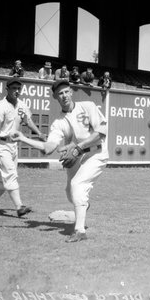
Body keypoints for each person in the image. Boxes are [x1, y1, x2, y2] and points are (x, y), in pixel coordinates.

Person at [10, 79, 109, 243]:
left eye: (65, 92)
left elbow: (102, 133)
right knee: (70, 193)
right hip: (77, 156)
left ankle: (80, 231)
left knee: (78, 185)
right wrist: (23, 138)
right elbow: (48, 148)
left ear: (71, 92)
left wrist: (78, 147)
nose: (63, 96)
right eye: (59, 93)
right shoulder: (59, 122)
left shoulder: (88, 106)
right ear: (55, 97)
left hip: (96, 153)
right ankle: (83, 204)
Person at [0, 77, 47, 217]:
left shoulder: (22, 105)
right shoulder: (0, 106)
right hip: (1, 145)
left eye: (19, 88)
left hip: (13, 146)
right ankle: (19, 207)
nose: (17, 91)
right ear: (7, 89)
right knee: (11, 174)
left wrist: (39, 133)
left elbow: (28, 121)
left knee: (3, 180)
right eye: (14, 88)